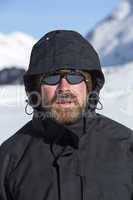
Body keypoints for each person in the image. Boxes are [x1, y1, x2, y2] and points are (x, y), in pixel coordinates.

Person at [0, 30, 133, 200]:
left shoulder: (126, 149)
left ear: (90, 85)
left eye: (74, 77)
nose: (64, 87)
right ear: (36, 88)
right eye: (51, 78)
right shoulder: (8, 160)